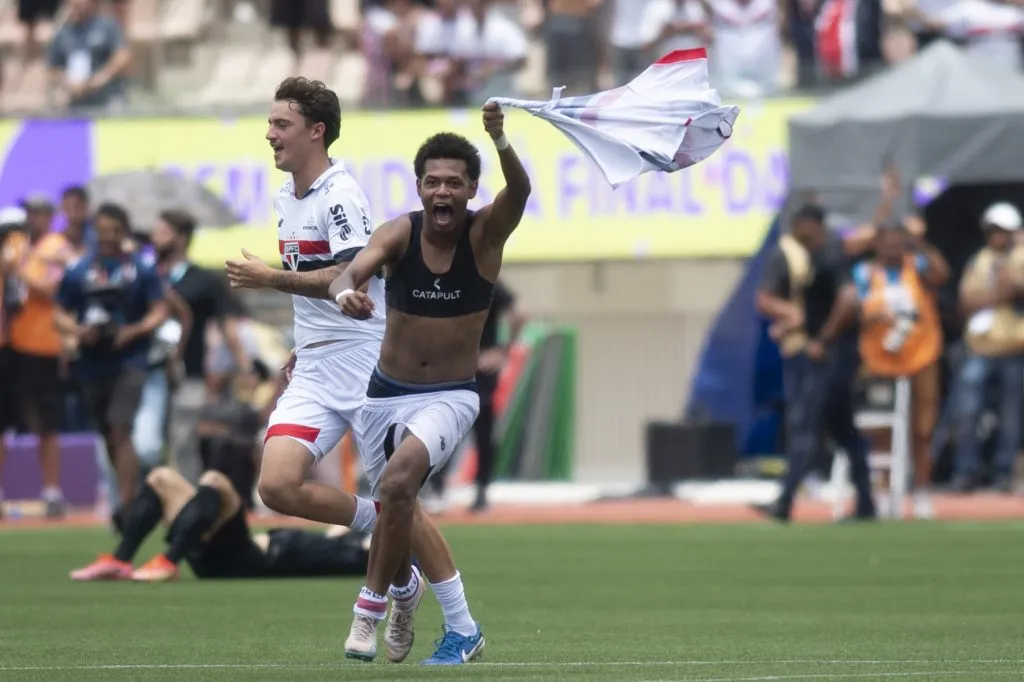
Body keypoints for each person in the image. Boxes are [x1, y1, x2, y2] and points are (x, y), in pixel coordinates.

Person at [328, 102, 531, 664]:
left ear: (470, 190)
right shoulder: (401, 231)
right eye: (433, 182)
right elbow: (354, 267)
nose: (442, 192)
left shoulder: (485, 236)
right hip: (383, 396)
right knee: (400, 509)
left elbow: (520, 192)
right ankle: (427, 606)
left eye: (454, 184)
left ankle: (367, 612)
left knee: (395, 488)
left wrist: (500, 139)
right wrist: (345, 290)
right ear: (419, 187)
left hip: (449, 397)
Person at [70, 368, 374, 582]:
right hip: (219, 547)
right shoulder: (347, 538)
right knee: (161, 476)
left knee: (214, 481)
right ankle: (121, 560)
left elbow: (377, 549)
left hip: (243, 560)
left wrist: (375, 539)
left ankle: (168, 561)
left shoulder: (355, 552)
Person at [753, 203, 876, 523]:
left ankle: (785, 502)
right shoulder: (824, 256)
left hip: (829, 358)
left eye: (800, 224)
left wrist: (823, 339)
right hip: (839, 357)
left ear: (813, 225)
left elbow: (848, 299)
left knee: (806, 427)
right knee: (846, 432)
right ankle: (866, 504)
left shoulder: (827, 257)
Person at [54, 203, 168, 512]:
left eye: (115, 231)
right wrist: (79, 331)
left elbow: (159, 309)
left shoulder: (140, 270)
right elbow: (59, 313)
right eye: (103, 231)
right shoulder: (79, 271)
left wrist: (133, 331)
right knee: (108, 433)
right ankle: (126, 496)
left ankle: (129, 504)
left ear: (124, 233)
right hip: (92, 363)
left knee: (120, 427)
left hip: (130, 359)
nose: (109, 237)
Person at [853, 223, 948, 519]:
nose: (893, 249)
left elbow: (942, 275)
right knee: (880, 428)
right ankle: (881, 491)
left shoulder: (917, 265)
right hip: (880, 360)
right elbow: (854, 310)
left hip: (920, 356)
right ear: (877, 245)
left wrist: (920, 243)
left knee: (922, 429)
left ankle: (921, 491)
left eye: (899, 243)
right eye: (887, 243)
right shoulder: (865, 274)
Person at [149, 209, 251, 485]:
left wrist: (244, 364)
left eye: (162, 233)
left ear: (181, 239)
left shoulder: (202, 280)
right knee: (146, 443)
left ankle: (187, 497)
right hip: (144, 369)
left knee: (182, 438)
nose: (154, 239)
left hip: (188, 370)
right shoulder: (146, 275)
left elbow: (226, 323)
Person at [427, 277, 528, 512]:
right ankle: (464, 489)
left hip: (466, 365)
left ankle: (461, 488)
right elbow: (520, 313)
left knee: (458, 425)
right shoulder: (481, 277)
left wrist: (503, 351)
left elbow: (520, 313)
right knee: (459, 425)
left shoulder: (479, 279)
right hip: (459, 365)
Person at [2, 195, 73, 517]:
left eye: (40, 213)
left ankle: (52, 491)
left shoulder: (56, 247)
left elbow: (55, 289)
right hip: (12, 343)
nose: (34, 219)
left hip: (43, 345)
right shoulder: (19, 247)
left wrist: (21, 267)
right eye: (30, 214)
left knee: (45, 423)